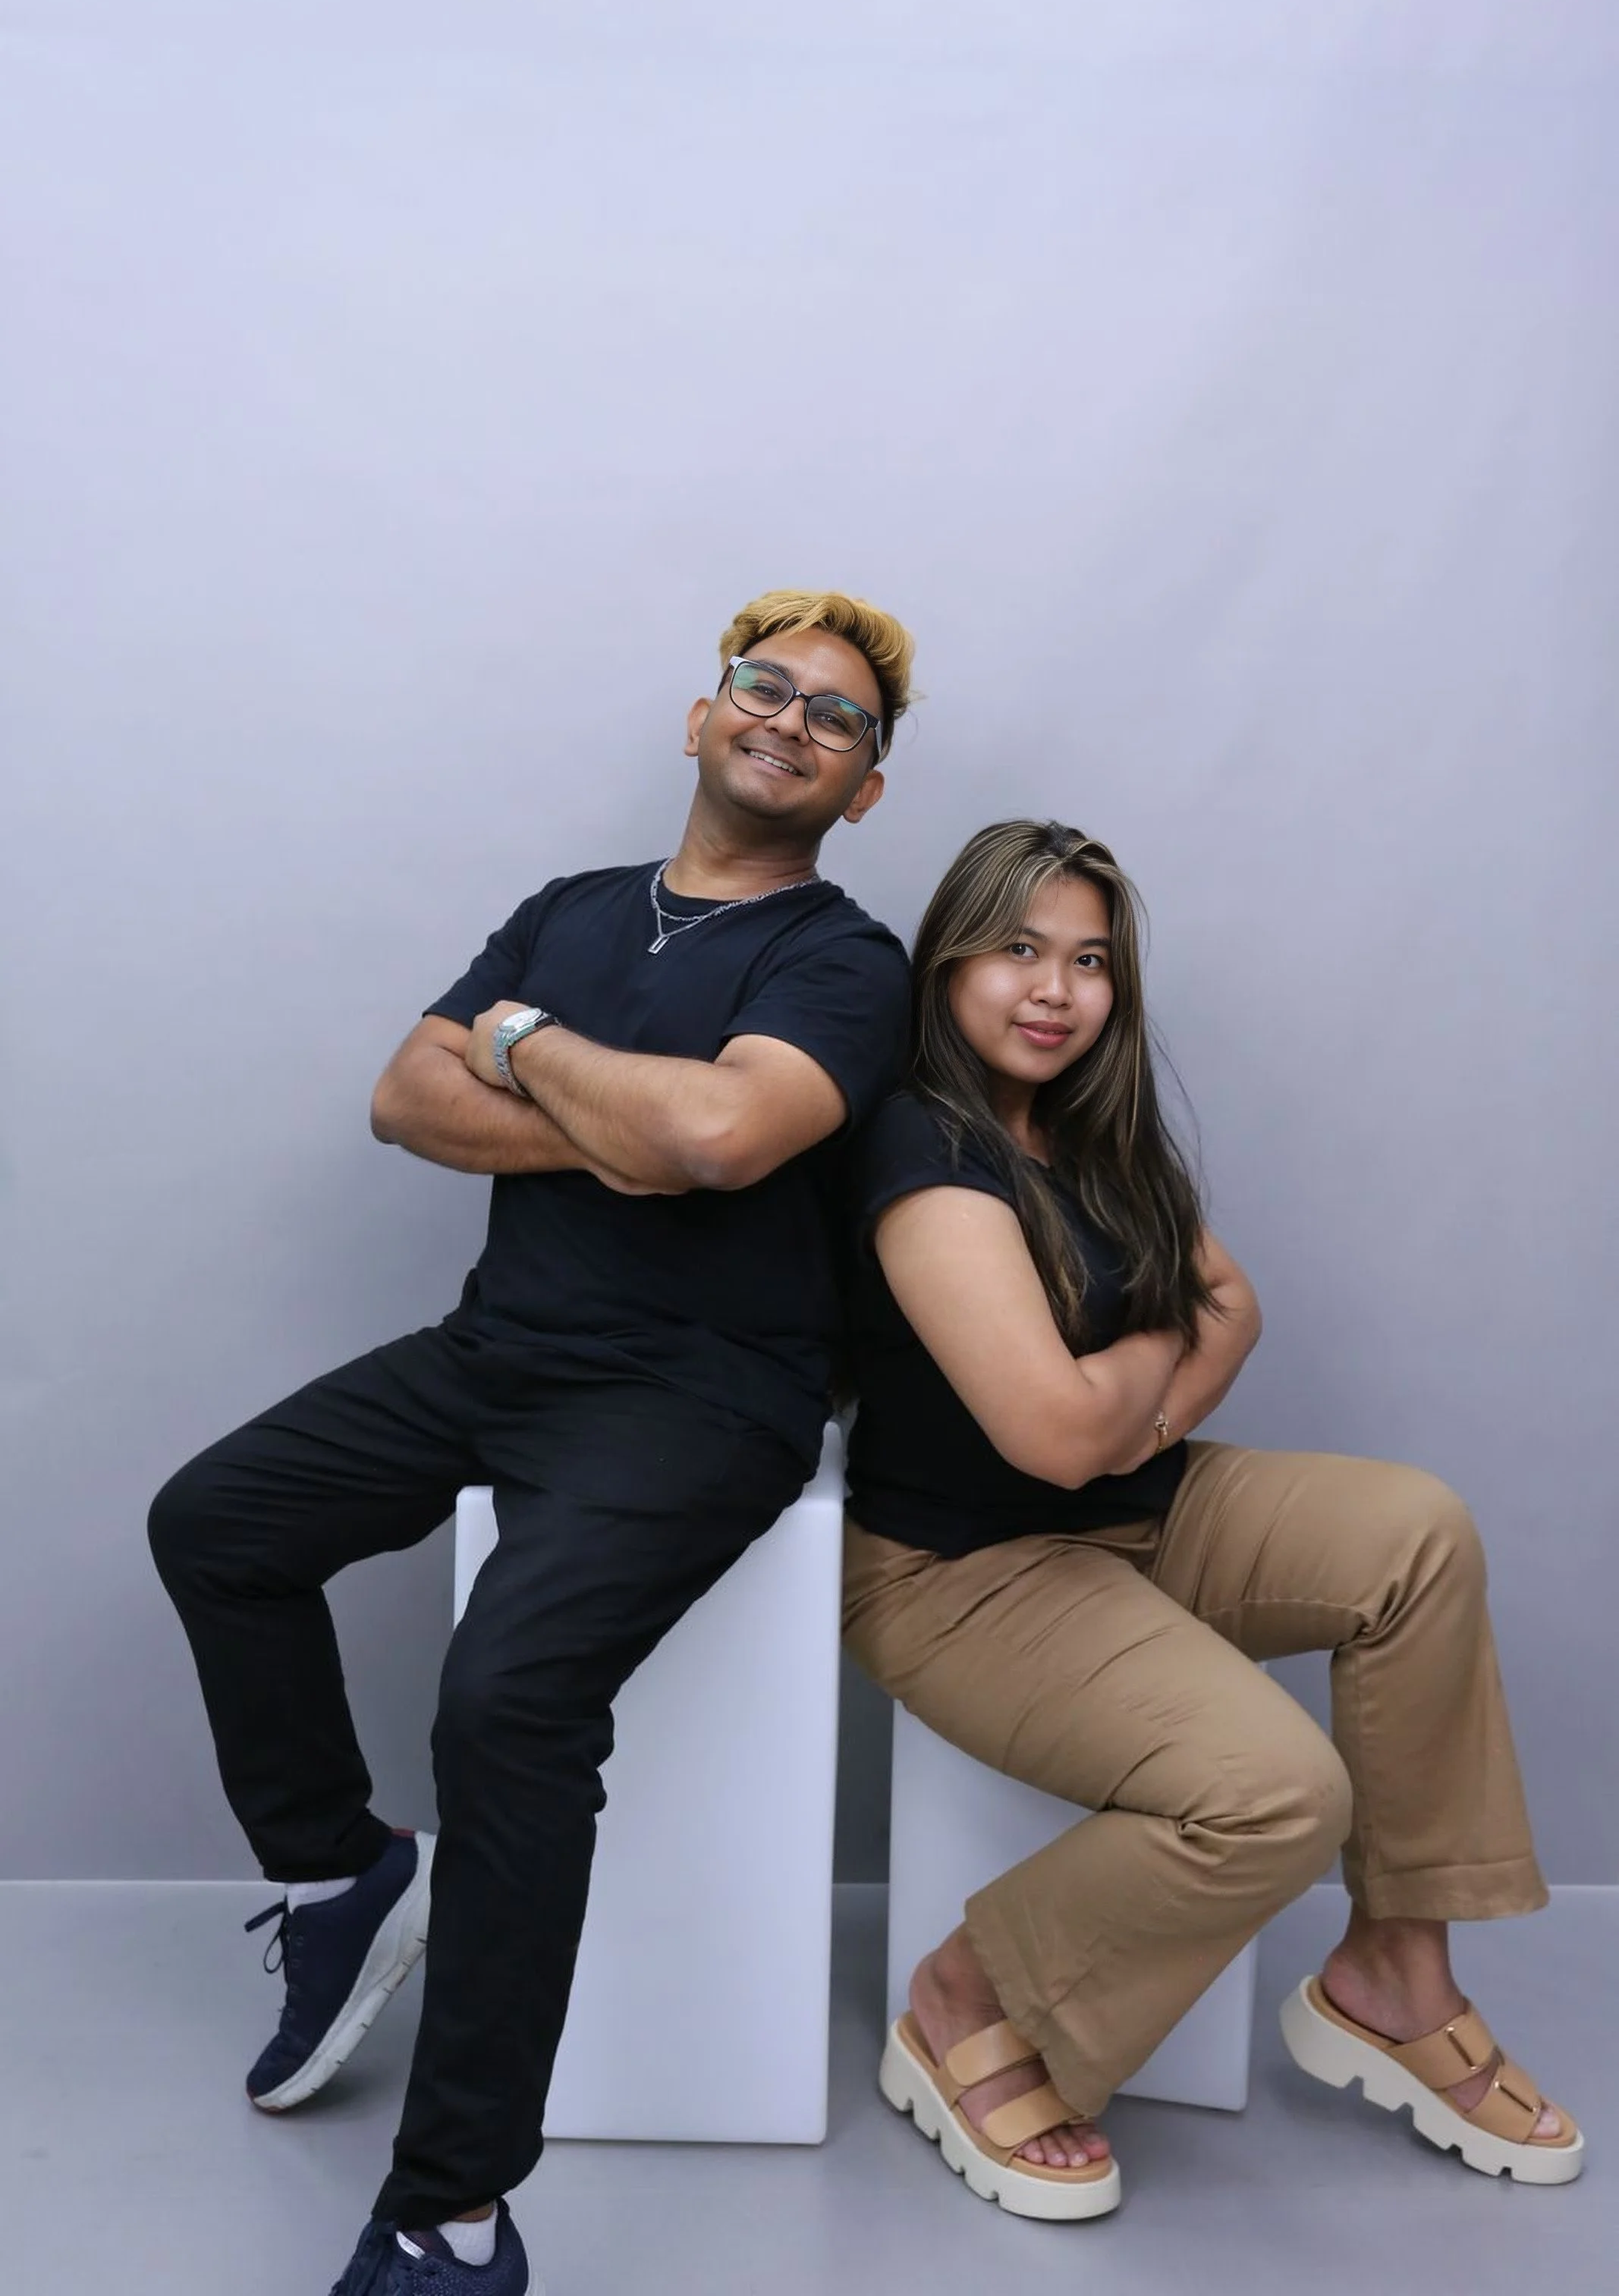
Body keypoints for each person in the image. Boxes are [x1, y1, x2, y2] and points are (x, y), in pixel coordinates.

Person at [148, 591, 914, 2295]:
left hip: (703, 1397)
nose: (789, 720)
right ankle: (343, 1876)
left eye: (836, 716)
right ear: (701, 716)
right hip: (497, 1353)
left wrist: (527, 1054)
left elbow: (721, 1137)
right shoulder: (567, 908)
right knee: (216, 1521)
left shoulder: (843, 961)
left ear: (862, 785)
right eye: (762, 688)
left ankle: (451, 2213)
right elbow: (400, 1097)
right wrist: (615, 1117)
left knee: (503, 1704)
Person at [841, 817, 1581, 2224]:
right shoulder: (921, 1156)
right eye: (1014, 951)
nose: (1052, 990)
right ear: (946, 963)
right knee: (1277, 1794)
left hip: (1151, 1505)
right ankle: (963, 1997)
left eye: (1086, 961)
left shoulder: (1083, 1131)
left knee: (1415, 1531)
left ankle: (1391, 1976)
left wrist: (1136, 1414)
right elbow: (1052, 1441)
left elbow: (1231, 1304)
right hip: (963, 1575)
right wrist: (1136, 1376)